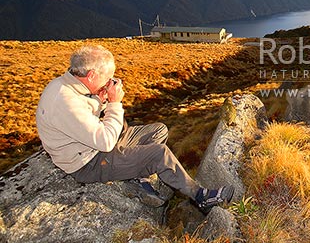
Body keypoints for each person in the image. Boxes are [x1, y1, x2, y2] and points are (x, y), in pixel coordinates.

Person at [35, 45, 233, 212]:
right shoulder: (65, 102)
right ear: (92, 75)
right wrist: (113, 103)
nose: (110, 82)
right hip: (89, 162)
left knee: (159, 130)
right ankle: (200, 197)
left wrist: (100, 100)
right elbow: (105, 141)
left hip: (92, 145)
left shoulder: (69, 85)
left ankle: (137, 175)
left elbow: (86, 115)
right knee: (159, 154)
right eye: (108, 77)